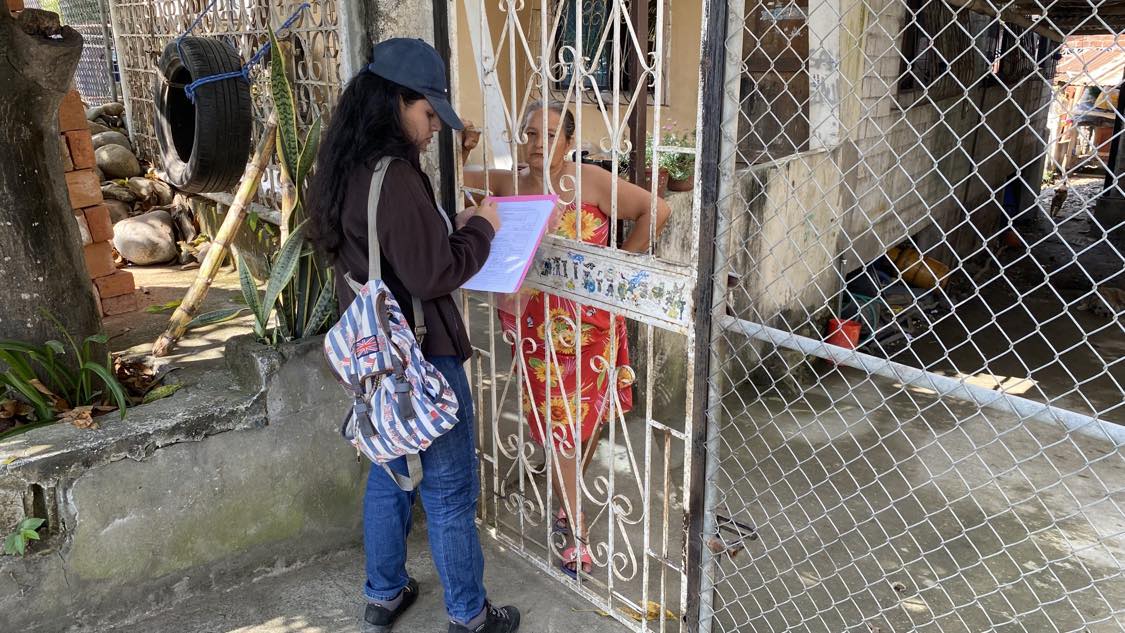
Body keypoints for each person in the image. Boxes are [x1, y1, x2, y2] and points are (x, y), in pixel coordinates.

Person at [307, 38, 519, 633]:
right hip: (422, 356)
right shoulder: (393, 175)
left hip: (377, 357)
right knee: (449, 490)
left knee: (390, 471)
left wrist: (448, 216)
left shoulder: (346, 167)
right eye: (428, 114)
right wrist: (483, 227)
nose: (433, 129)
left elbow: (393, 245)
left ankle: (383, 595)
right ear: (395, 102)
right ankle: (470, 617)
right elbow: (432, 273)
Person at [461, 102, 671, 577]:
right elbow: (456, 184)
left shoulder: (589, 181)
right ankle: (576, 527)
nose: (540, 144)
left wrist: (614, 271)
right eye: (532, 133)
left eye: (552, 134)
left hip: (593, 328)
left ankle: (566, 496)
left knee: (587, 421)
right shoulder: (509, 184)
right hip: (535, 331)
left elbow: (656, 209)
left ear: (570, 143)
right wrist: (463, 149)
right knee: (560, 426)